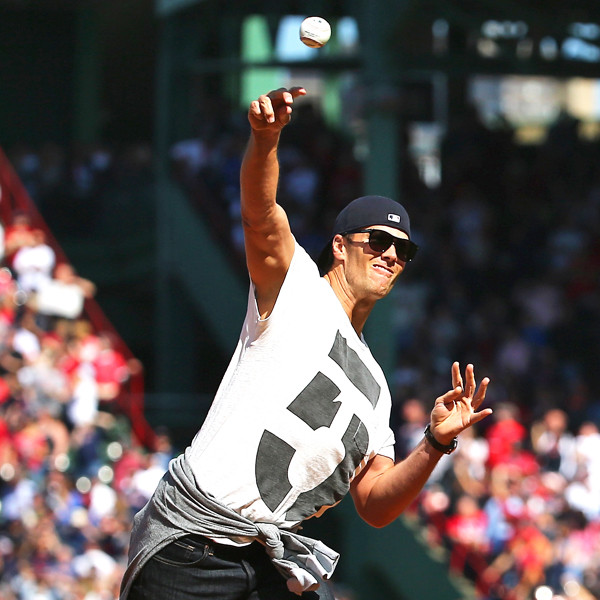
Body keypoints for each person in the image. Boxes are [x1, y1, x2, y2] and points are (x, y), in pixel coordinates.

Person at [120, 87, 492, 600]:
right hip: (192, 546)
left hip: (268, 560)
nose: (390, 255)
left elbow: (376, 504)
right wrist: (265, 140)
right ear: (339, 246)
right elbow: (260, 214)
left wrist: (433, 444)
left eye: (402, 250)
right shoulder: (296, 290)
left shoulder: (377, 389)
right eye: (378, 241)